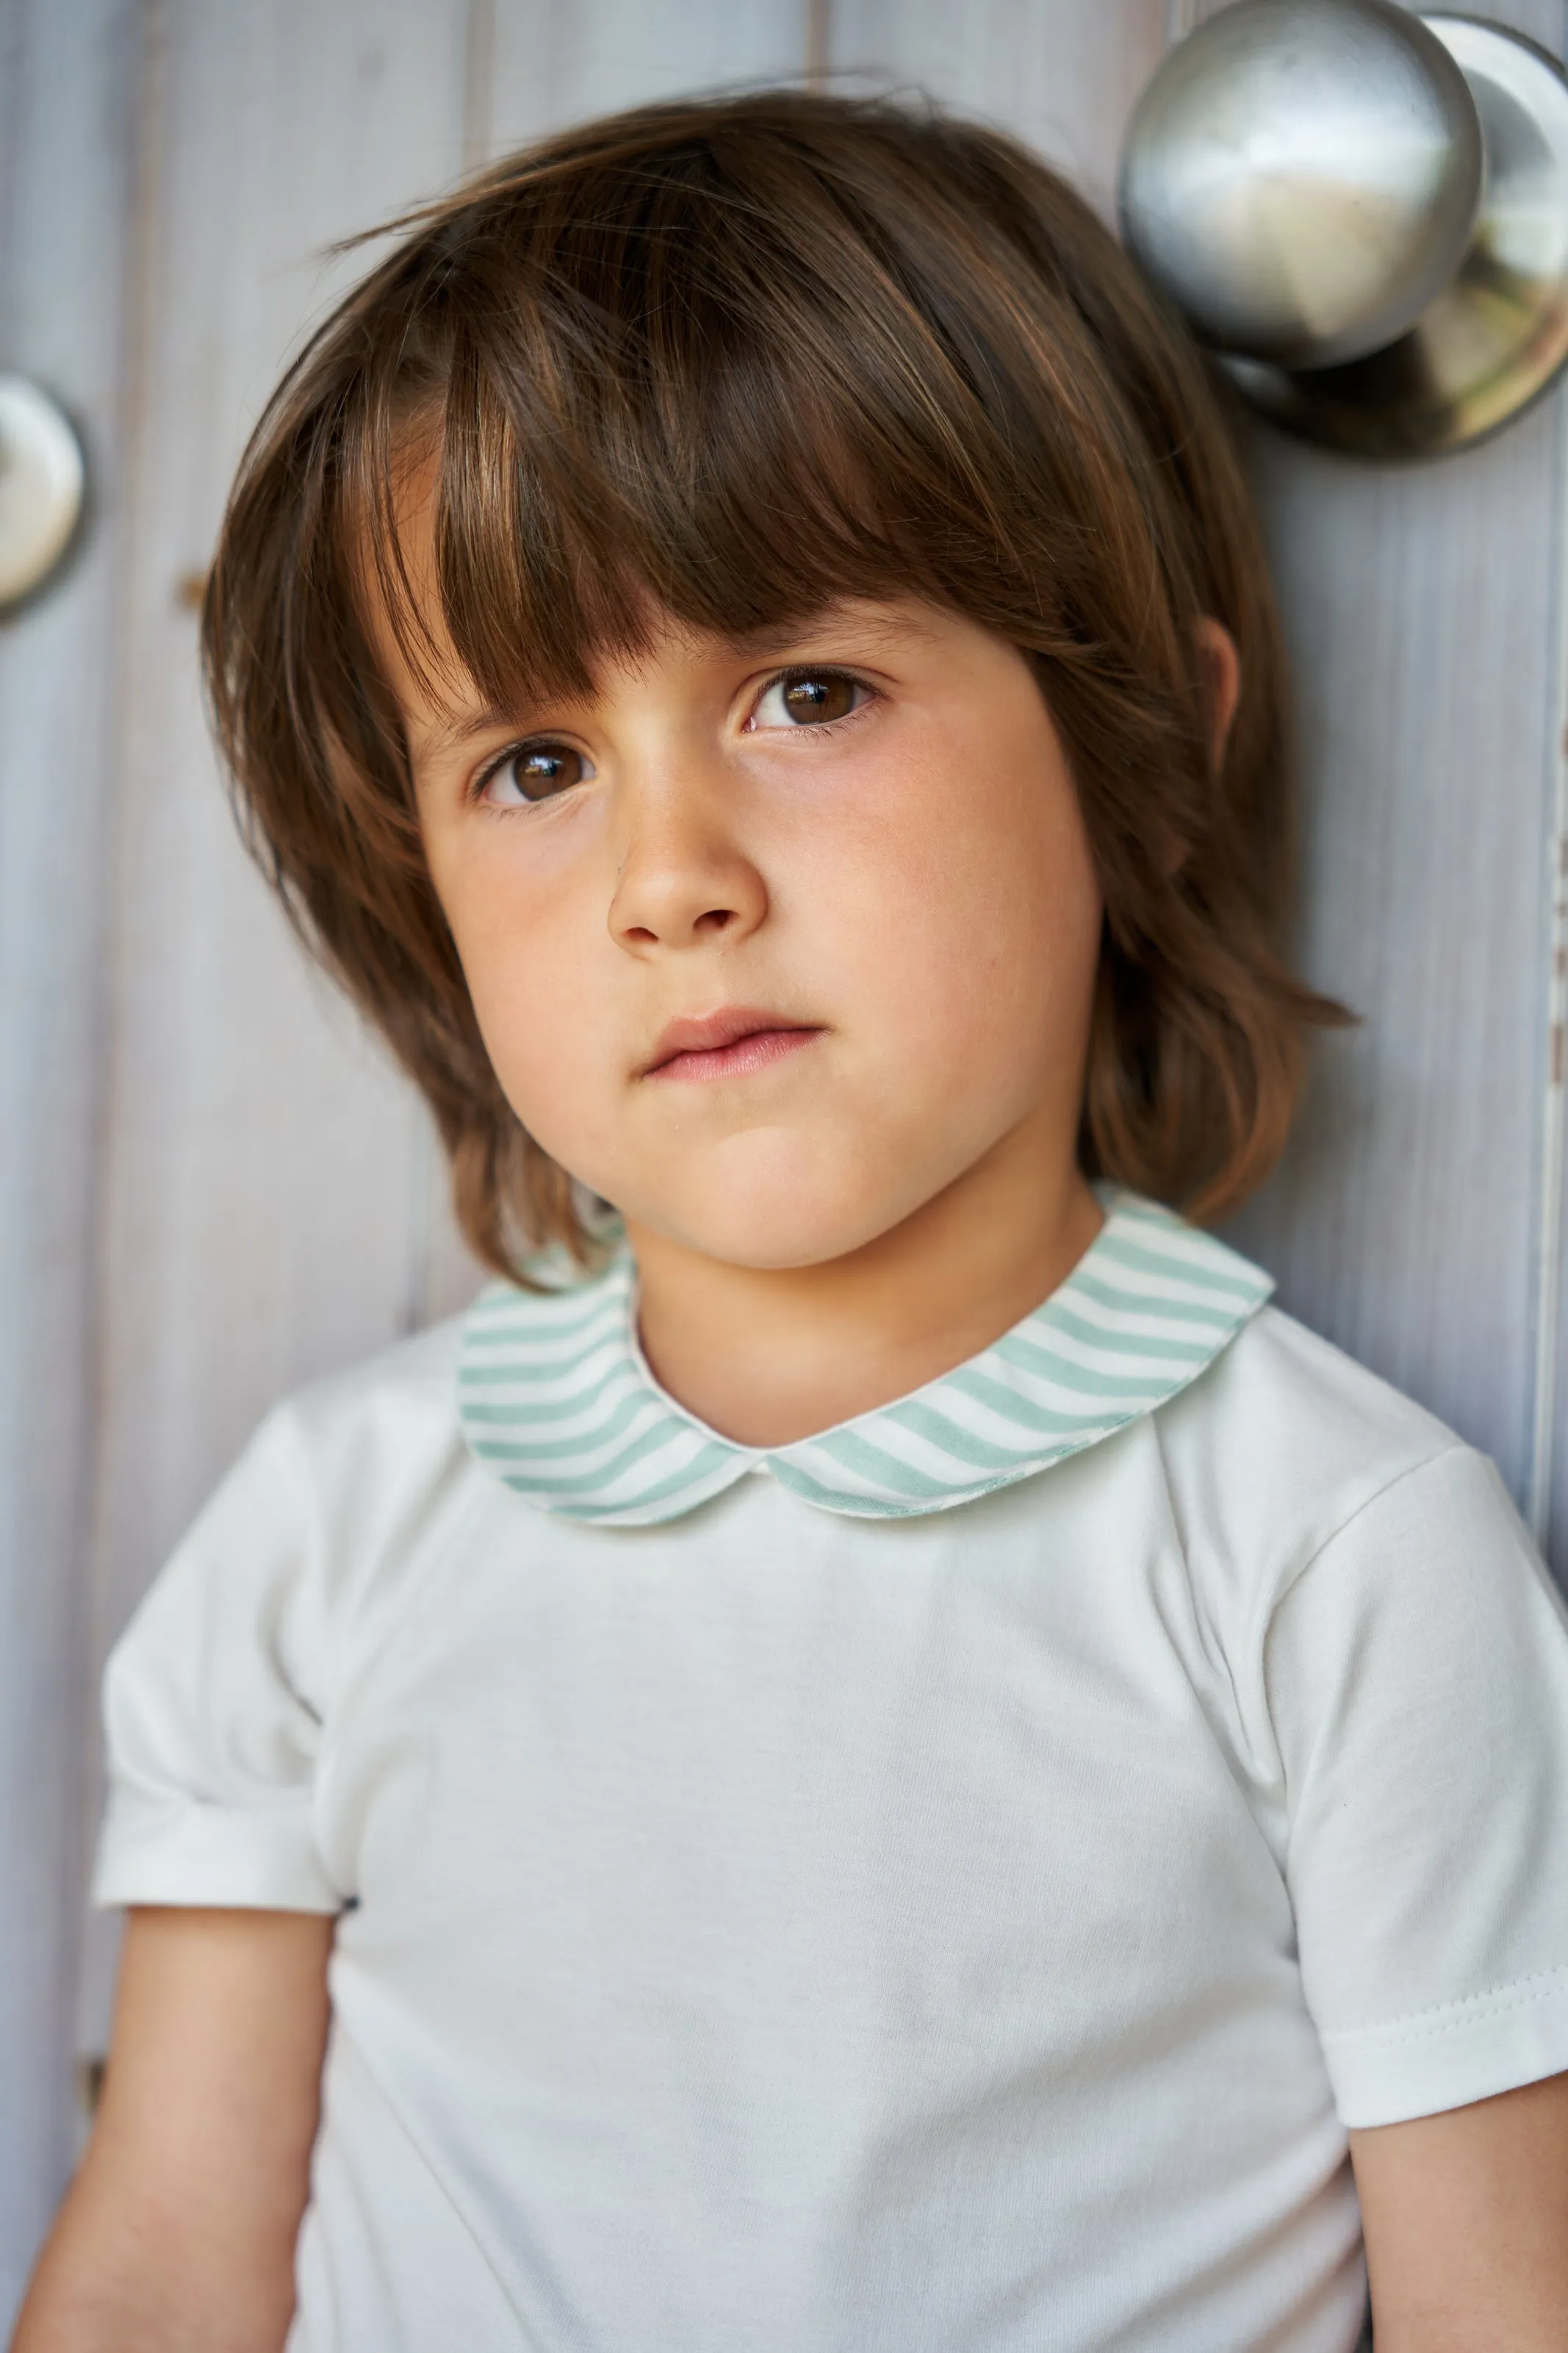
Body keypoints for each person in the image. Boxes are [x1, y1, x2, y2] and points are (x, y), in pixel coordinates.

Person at [15, 87, 1568, 2353]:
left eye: (807, 690)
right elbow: (159, 2270)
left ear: (1144, 752)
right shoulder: (329, 1532)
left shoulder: (1338, 1559)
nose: (672, 880)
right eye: (533, 766)